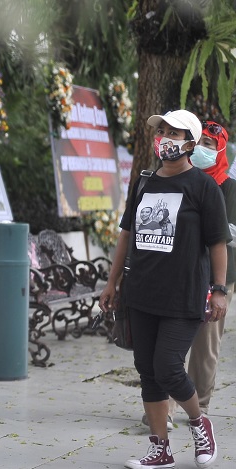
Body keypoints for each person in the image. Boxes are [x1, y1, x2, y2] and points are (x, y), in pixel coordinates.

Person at [99, 110, 228, 469]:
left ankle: (199, 423)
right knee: (147, 370)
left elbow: (218, 242)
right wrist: (112, 282)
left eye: (175, 132)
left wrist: (219, 289)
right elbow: (127, 234)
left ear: (190, 142)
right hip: (141, 292)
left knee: (168, 366)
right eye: (163, 131)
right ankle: (160, 449)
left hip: (184, 293)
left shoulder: (204, 187)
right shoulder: (143, 182)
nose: (166, 138)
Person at [175, 121, 234, 417]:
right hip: (181, 271)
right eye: (200, 143)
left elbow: (228, 235)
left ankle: (200, 406)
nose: (202, 150)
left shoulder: (229, 187)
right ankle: (164, 408)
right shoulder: (181, 176)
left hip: (217, 277)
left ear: (221, 150)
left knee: (205, 346)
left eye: (210, 146)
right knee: (171, 341)